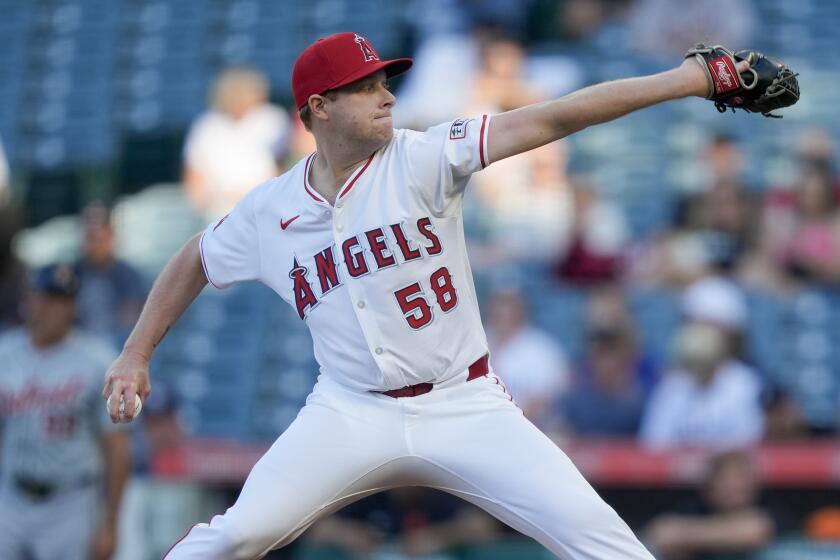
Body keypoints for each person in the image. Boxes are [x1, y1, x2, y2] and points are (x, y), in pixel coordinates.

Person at [103, 31, 757, 559]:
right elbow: (194, 255)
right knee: (236, 536)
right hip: (349, 412)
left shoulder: (422, 157)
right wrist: (137, 352)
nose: (386, 96)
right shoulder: (269, 211)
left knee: (603, 542)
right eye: (364, 87)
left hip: (466, 403)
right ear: (318, 110)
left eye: (384, 80)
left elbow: (552, 117)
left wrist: (690, 79)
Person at [0, 264, 131, 560]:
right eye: (43, 297)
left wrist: (110, 524)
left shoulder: (97, 361)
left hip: (69, 502)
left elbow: (117, 448)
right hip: (10, 495)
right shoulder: (4, 353)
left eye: (61, 301)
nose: (50, 308)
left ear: (72, 307)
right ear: (28, 300)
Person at [639, 277, 765, 449]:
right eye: (695, 324)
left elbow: (748, 446)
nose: (701, 334)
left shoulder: (745, 382)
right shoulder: (672, 383)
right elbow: (654, 446)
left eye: (710, 326)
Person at [182, 67, 291, 221]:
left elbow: (285, 167)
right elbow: (195, 184)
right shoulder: (206, 125)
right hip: (219, 214)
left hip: (266, 209)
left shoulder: (272, 118)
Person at [644, 450, 784, 560]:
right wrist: (724, 535)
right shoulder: (695, 506)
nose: (737, 487)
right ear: (710, 486)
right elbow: (662, 534)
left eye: (743, 480)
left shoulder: (767, 504)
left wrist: (689, 538)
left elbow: (753, 531)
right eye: (727, 481)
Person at [485, 288, 570, 430]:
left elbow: (545, 401)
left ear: (521, 313)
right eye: (498, 314)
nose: (504, 319)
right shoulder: (477, 342)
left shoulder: (542, 348)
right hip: (482, 425)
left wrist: (510, 422)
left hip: (529, 428)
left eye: (509, 313)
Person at [74, 202, 147, 347]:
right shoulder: (71, 274)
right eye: (88, 235)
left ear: (111, 234)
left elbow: (131, 324)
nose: (92, 242)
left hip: (117, 349)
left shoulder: (129, 276)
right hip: (77, 351)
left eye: (96, 234)